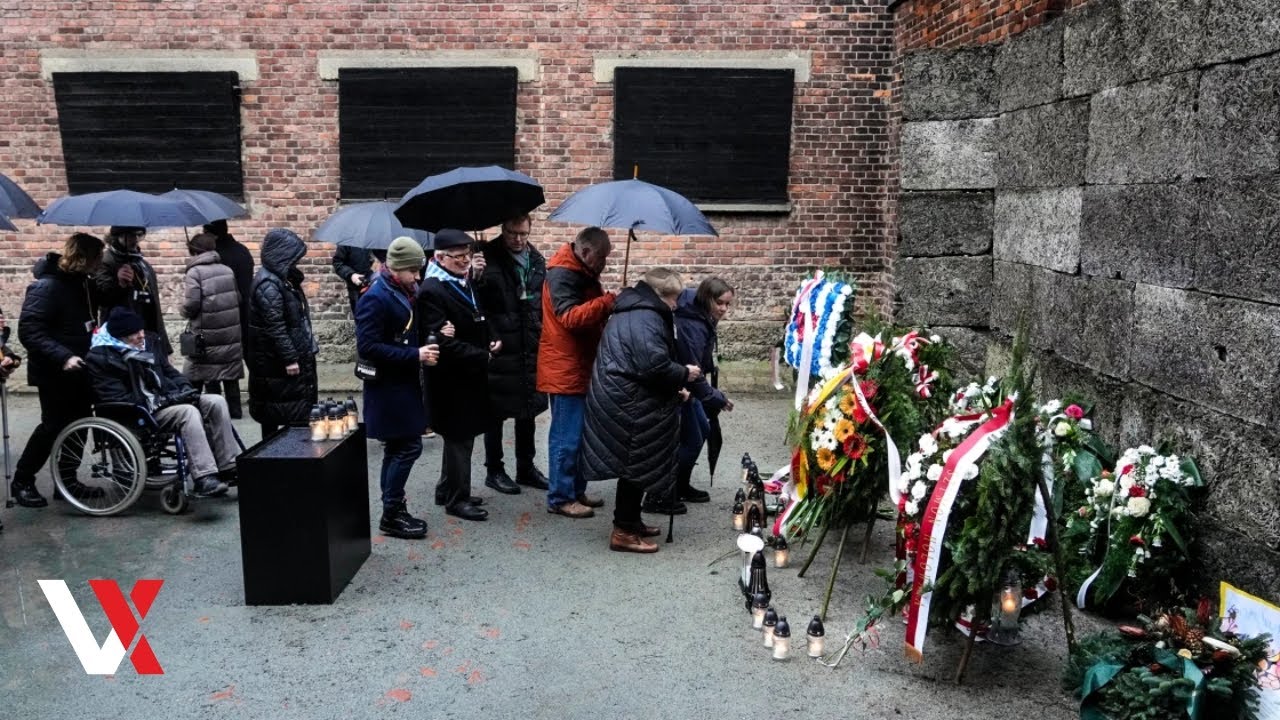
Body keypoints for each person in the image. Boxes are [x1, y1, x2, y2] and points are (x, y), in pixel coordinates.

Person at [580, 268, 701, 553]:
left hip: (625, 396)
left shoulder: (635, 309)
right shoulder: (646, 316)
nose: (675, 305)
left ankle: (631, 521)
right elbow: (653, 365)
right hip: (629, 400)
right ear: (660, 295)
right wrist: (684, 373)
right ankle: (623, 531)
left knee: (635, 462)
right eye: (673, 299)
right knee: (635, 462)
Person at [86, 308, 234, 498]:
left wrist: (185, 389)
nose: (141, 336)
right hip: (139, 413)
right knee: (187, 413)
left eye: (141, 330)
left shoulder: (149, 343)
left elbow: (169, 371)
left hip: (164, 401)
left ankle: (228, 466)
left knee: (216, 401)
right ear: (121, 336)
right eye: (135, 333)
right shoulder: (101, 357)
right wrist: (163, 401)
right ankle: (204, 477)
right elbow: (117, 399)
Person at [11, 233, 107, 507]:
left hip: (80, 367)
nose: (101, 263)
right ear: (83, 258)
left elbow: (102, 301)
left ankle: (67, 482)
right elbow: (29, 330)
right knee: (52, 426)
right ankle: (22, 481)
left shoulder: (83, 284)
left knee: (79, 425)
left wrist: (121, 284)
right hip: (55, 371)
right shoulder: (47, 286)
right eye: (97, 258)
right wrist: (63, 356)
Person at [356, 237, 440, 539]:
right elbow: (367, 346)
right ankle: (391, 513)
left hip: (401, 384)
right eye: (413, 271)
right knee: (407, 447)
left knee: (398, 448)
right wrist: (414, 355)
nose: (418, 276)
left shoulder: (403, 290)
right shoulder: (376, 296)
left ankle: (393, 509)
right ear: (397, 267)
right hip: (388, 387)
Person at [417, 229, 499, 522]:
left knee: (459, 435)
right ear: (439, 257)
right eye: (458, 257)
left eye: (467, 255)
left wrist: (490, 339)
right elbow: (440, 340)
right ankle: (457, 499)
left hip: (469, 372)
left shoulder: (463, 281)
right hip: (450, 378)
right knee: (459, 437)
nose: (465, 261)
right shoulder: (432, 289)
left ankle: (446, 488)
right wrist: (481, 354)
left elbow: (478, 316)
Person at [536, 226, 615, 519]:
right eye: (602, 257)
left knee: (579, 436)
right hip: (566, 368)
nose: (604, 263)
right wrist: (606, 302)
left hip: (577, 364)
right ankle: (560, 497)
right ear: (585, 252)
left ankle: (574, 490)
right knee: (565, 438)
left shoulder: (579, 272)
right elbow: (569, 317)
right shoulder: (563, 274)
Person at [645, 277, 735, 515]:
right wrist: (717, 398)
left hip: (689, 385)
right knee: (690, 439)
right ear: (707, 299)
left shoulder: (702, 317)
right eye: (720, 303)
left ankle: (679, 485)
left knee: (702, 432)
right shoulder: (692, 325)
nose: (724, 309)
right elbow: (692, 367)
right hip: (680, 387)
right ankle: (659, 494)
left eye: (728, 304)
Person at [474, 212, 549, 495]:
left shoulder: (537, 260)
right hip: (499, 343)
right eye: (511, 233)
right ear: (502, 229)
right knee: (495, 412)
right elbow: (475, 302)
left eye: (523, 234)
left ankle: (526, 467)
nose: (517, 239)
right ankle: (495, 470)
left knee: (528, 409)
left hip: (529, 343)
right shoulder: (484, 256)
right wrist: (475, 276)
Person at [247, 228, 318, 440]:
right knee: (280, 410)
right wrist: (290, 358)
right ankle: (281, 455)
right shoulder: (268, 284)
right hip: (275, 362)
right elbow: (275, 325)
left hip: (282, 357)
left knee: (289, 408)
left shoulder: (283, 280)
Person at [179, 232, 244, 408]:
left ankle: (205, 409)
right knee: (229, 372)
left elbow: (191, 304)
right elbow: (237, 298)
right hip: (230, 332)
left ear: (194, 251)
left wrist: (182, 310)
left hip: (206, 334)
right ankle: (235, 409)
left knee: (199, 371)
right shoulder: (227, 270)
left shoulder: (194, 272)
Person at [203, 220, 254, 418]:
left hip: (219, 317)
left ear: (212, 234)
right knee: (242, 360)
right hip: (244, 312)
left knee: (214, 363)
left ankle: (217, 407)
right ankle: (245, 402)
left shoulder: (215, 259)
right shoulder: (242, 251)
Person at [94, 226, 171, 357]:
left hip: (147, 329)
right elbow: (103, 298)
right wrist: (119, 284)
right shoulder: (106, 262)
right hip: (124, 334)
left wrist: (162, 344)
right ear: (118, 236)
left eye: (139, 235)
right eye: (130, 235)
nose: (135, 239)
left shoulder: (141, 262)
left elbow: (153, 305)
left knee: (151, 371)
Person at [333, 246, 377, 315]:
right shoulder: (347, 240)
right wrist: (351, 275)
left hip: (375, 285)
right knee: (361, 318)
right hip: (356, 287)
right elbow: (337, 263)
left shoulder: (374, 237)